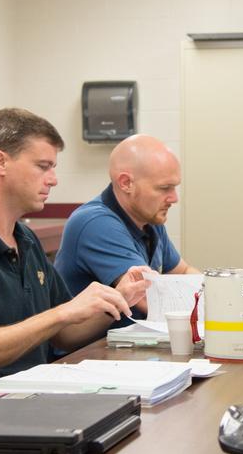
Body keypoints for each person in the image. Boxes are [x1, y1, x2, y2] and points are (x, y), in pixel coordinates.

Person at [0, 108, 149, 419]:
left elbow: (63, 335)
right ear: (0, 162)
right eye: (43, 166)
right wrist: (62, 312)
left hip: (30, 405)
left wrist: (115, 302)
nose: (53, 179)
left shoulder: (24, 239)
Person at [55, 134, 200, 317]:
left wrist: (210, 294)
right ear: (126, 183)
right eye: (164, 188)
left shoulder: (148, 218)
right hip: (93, 345)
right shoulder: (96, 223)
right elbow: (150, 300)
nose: (174, 198)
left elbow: (184, 271)